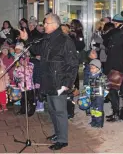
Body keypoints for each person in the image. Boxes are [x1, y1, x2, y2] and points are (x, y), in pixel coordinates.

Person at [19, 13, 78, 150]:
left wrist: (67, 84)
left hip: (59, 82)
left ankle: (63, 140)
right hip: (48, 80)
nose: (44, 25)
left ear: (55, 25)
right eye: (44, 23)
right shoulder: (46, 38)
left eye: (47, 23)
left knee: (60, 111)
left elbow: (73, 64)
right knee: (52, 110)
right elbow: (36, 50)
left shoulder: (65, 40)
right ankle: (57, 134)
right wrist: (26, 39)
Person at [104, 11, 123, 122]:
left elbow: (108, 44)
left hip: (117, 66)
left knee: (113, 90)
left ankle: (117, 113)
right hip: (121, 66)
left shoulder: (119, 33)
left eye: (114, 23)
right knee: (122, 89)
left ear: (116, 23)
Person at [85, 59, 109, 128]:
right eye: (90, 68)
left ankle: (99, 123)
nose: (91, 70)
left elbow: (107, 84)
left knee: (98, 109)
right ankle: (94, 120)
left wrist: (106, 91)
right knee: (92, 108)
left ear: (98, 68)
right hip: (92, 95)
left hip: (99, 96)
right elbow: (89, 84)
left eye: (93, 68)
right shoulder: (90, 76)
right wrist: (88, 89)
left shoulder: (102, 76)